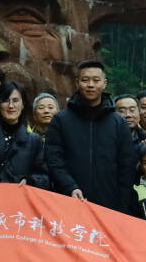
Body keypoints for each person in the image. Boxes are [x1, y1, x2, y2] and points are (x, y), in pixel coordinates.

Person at [45, 60, 137, 213]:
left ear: (104, 83)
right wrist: (70, 186)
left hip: (109, 206)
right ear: (77, 83)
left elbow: (126, 166)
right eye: (85, 80)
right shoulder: (61, 120)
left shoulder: (118, 122)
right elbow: (54, 160)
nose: (90, 85)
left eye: (96, 80)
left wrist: (121, 205)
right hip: (70, 201)